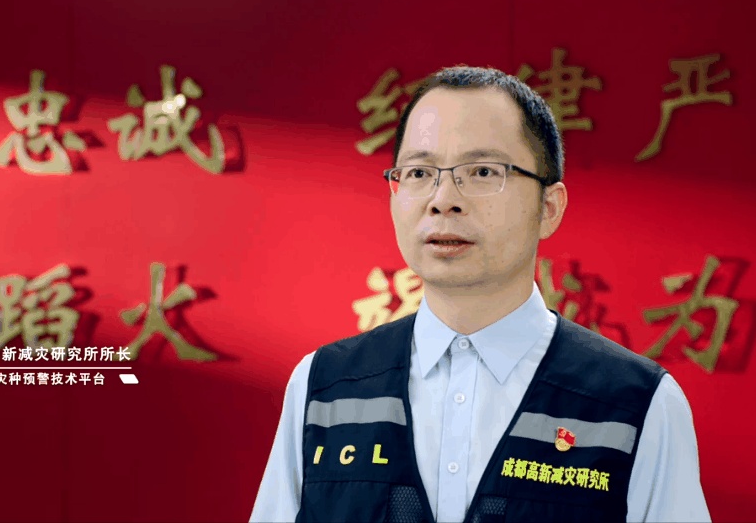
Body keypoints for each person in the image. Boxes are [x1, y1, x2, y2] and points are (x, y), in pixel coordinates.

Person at [249, 65, 711, 523]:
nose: (442, 199)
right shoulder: (323, 390)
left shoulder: (636, 405)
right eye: (419, 172)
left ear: (549, 208)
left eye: (483, 171)